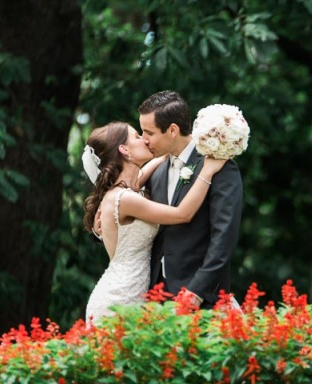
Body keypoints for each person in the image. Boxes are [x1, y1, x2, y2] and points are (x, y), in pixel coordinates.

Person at [82, 121, 226, 323]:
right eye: (137, 137)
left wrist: (179, 144)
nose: (145, 139)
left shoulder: (128, 188)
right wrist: (207, 171)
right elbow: (182, 214)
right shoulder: (124, 198)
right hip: (120, 298)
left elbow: (146, 170)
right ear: (124, 149)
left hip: (134, 295)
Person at [138, 90, 244, 310]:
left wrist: (197, 290)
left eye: (149, 132)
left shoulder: (218, 165)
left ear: (173, 130)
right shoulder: (155, 172)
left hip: (203, 299)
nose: (143, 140)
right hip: (159, 297)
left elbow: (224, 236)